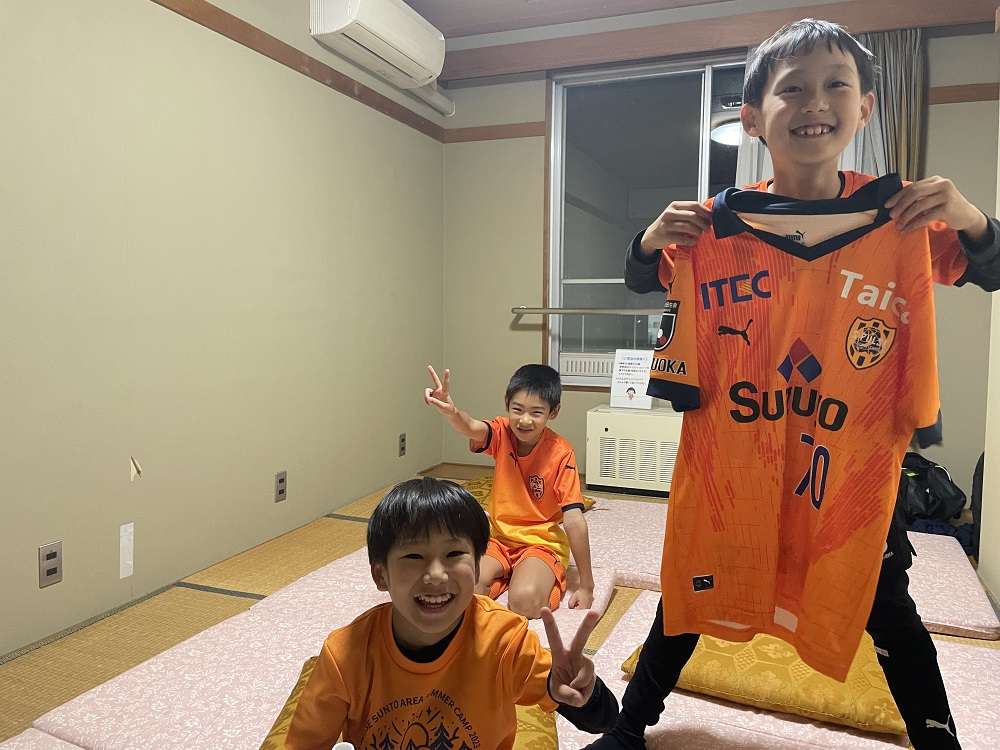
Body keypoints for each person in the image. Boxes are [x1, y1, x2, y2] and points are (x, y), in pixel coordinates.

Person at [592, 18, 1000, 750]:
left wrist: (969, 218)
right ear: (752, 118)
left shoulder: (902, 217)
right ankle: (629, 728)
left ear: (865, 108)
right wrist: (650, 239)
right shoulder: (715, 226)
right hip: (737, 457)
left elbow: (994, 268)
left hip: (850, 467)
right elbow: (640, 275)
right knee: (691, 585)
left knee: (884, 604)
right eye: (793, 89)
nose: (815, 102)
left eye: (836, 84)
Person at [284, 477, 618, 750]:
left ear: (478, 566)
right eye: (414, 556)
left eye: (454, 554)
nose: (436, 575)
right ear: (380, 575)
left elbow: (603, 719)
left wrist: (584, 690)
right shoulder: (346, 654)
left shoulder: (503, 641)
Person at [424, 364, 595, 618]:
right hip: (499, 540)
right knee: (462, 589)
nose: (525, 420)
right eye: (517, 409)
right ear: (507, 404)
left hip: (541, 544)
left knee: (525, 603)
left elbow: (574, 520)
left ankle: (531, 580)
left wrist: (586, 585)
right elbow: (471, 426)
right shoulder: (502, 431)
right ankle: (505, 579)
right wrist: (451, 411)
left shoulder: (561, 453)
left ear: (553, 412)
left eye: (536, 412)